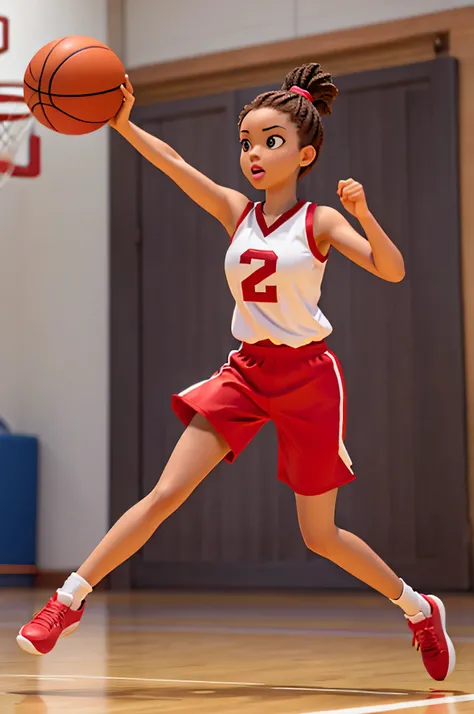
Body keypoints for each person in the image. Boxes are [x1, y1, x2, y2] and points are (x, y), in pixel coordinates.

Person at [17, 63, 454, 681]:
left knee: (320, 537)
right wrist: (123, 123)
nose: (254, 152)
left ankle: (417, 607)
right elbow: (173, 164)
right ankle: (66, 603)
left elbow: (393, 269)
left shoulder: (320, 221)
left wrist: (362, 212)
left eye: (270, 141)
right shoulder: (235, 211)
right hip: (245, 372)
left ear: (305, 153)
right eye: (246, 141)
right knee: (165, 493)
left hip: (307, 378)